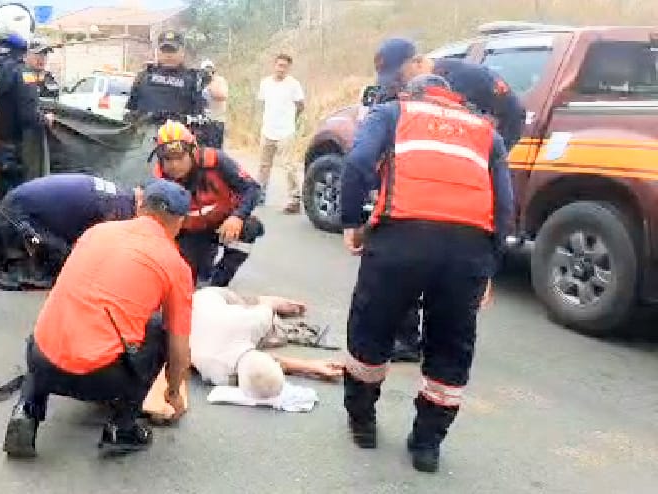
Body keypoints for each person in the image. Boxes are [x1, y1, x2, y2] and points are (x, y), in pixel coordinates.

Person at [339, 74, 514, 473]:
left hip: (400, 239)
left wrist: (352, 222)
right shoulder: (486, 132)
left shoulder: (392, 112)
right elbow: (504, 205)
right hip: (466, 249)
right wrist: (491, 265)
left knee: (372, 329)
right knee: (452, 346)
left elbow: (358, 162)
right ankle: (426, 446)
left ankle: (362, 422)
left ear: (413, 93)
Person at [2, 179, 194, 458]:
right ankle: (122, 426)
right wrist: (174, 392)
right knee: (160, 330)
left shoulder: (97, 232)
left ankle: (26, 410)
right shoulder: (175, 264)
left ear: (141, 207)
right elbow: (179, 347)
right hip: (99, 378)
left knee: (63, 313)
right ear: (179, 222)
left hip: (41, 358)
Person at [372, 37, 527, 363]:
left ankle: (436, 341)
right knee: (412, 251)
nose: (398, 84)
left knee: (446, 262)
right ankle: (407, 338)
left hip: (463, 181)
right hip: (420, 184)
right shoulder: (403, 93)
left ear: (418, 61)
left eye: (400, 75)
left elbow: (515, 112)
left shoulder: (471, 77)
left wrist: (491, 156)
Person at [0, 29, 55, 283]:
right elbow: (28, 115)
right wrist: (45, 118)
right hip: (7, 149)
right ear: (24, 51)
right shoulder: (21, 72)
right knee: (7, 208)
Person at [152, 120, 263, 287]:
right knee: (186, 283)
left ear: (193, 152)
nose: (174, 165)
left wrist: (237, 217)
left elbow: (252, 188)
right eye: (168, 159)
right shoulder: (159, 181)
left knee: (250, 227)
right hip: (188, 234)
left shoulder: (217, 161)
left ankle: (218, 284)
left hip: (222, 225)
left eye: (180, 157)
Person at [0, 173, 141, 291]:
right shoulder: (120, 210)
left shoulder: (119, 196)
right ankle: (9, 268)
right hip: (16, 218)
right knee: (65, 268)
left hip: (18, 206)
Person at [190, 287, 344, 390]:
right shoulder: (219, 374)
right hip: (201, 306)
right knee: (274, 337)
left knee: (262, 314)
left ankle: (275, 305)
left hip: (210, 301)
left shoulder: (254, 321)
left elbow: (266, 307)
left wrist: (277, 304)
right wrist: (311, 367)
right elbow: (272, 362)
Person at [257, 54, 305, 213]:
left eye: (284, 66)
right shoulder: (265, 83)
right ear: (274, 65)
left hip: (285, 130)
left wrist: (292, 120)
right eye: (279, 65)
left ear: (288, 68)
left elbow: (300, 105)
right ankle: (259, 194)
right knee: (264, 165)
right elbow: (263, 104)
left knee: (288, 165)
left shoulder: (293, 85)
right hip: (268, 129)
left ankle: (294, 199)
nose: (281, 69)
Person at [125, 30, 205, 125]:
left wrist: (179, 120)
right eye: (164, 50)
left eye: (173, 50)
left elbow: (201, 119)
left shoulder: (193, 80)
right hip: (144, 134)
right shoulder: (143, 76)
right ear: (158, 52)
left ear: (182, 52)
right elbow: (129, 113)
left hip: (177, 136)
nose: (168, 55)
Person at [200, 59, 228, 148]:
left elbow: (222, 96)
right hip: (201, 122)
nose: (208, 72)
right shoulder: (198, 81)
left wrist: (210, 82)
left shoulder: (219, 81)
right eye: (205, 70)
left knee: (215, 151)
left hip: (216, 121)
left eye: (210, 70)